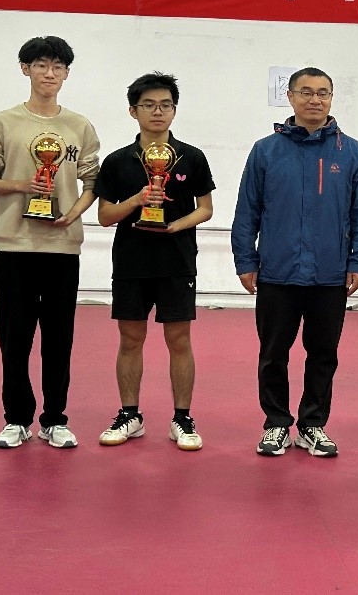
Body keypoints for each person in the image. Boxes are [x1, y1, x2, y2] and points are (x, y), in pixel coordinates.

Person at [232, 67, 358, 457]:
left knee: (323, 355)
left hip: (330, 274)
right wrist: (245, 260)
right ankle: (276, 423)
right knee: (273, 354)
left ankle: (313, 424)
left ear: (331, 98)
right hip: (277, 272)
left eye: (323, 92)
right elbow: (247, 211)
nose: (315, 99)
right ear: (291, 97)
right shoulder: (265, 150)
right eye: (307, 92)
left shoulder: (351, 152)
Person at [0, 36, 100, 449]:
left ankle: (55, 419)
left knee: (59, 338)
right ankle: (16, 419)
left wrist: (75, 211)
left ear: (66, 74)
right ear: (25, 69)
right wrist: (21, 185)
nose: (50, 73)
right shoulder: (3, 122)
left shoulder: (79, 126)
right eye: (42, 65)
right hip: (14, 244)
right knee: (15, 338)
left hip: (62, 246)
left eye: (58, 67)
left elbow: (93, 180)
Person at [94, 73, 215, 451]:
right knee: (130, 338)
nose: (158, 111)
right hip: (131, 261)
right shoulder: (117, 161)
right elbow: (105, 215)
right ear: (133, 111)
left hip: (177, 260)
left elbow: (206, 209)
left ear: (174, 110)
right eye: (148, 105)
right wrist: (137, 200)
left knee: (179, 339)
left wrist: (177, 224)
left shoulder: (192, 157)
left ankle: (182, 418)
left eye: (165, 105)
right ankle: (130, 414)